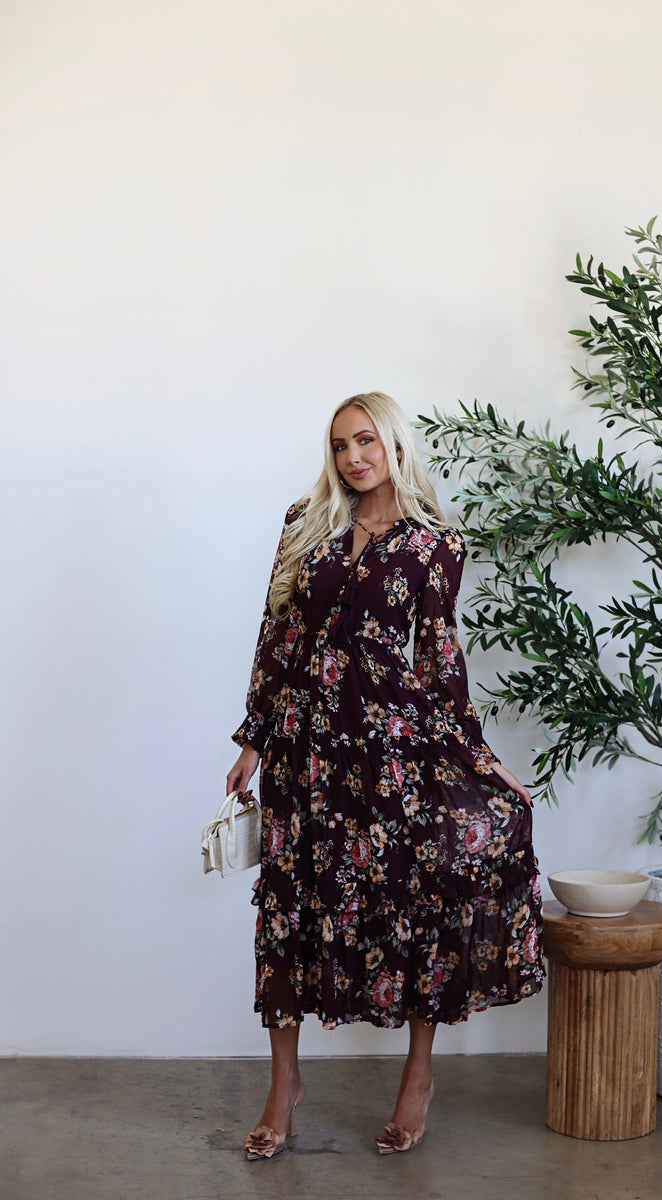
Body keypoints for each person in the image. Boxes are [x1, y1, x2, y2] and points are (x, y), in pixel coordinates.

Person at [226, 391, 544, 1160]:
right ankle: (284, 1086)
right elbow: (278, 634)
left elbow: (438, 659)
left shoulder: (435, 542)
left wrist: (480, 758)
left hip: (390, 746)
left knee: (420, 888)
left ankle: (418, 1077)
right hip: (304, 749)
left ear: (395, 445)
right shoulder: (306, 522)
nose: (353, 457)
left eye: (365, 440)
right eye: (340, 445)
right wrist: (253, 738)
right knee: (291, 906)